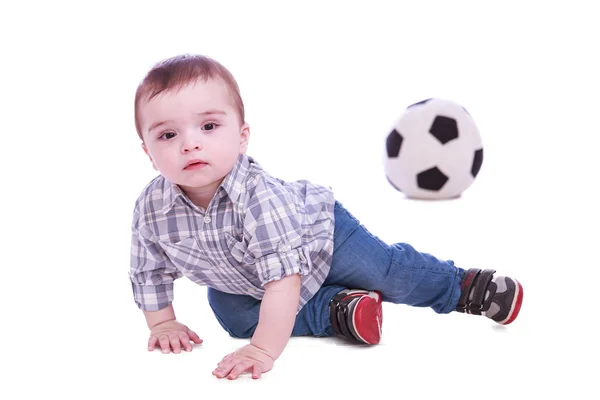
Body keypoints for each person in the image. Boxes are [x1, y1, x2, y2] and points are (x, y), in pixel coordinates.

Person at [129, 53, 524, 380]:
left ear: (242, 136)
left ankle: (467, 288)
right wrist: (163, 323)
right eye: (167, 135)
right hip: (247, 278)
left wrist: (263, 350)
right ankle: (340, 310)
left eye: (209, 126)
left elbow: (283, 280)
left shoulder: (256, 198)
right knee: (232, 316)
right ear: (148, 152)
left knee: (387, 273)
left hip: (323, 236)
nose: (190, 143)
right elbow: (148, 272)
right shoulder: (152, 209)